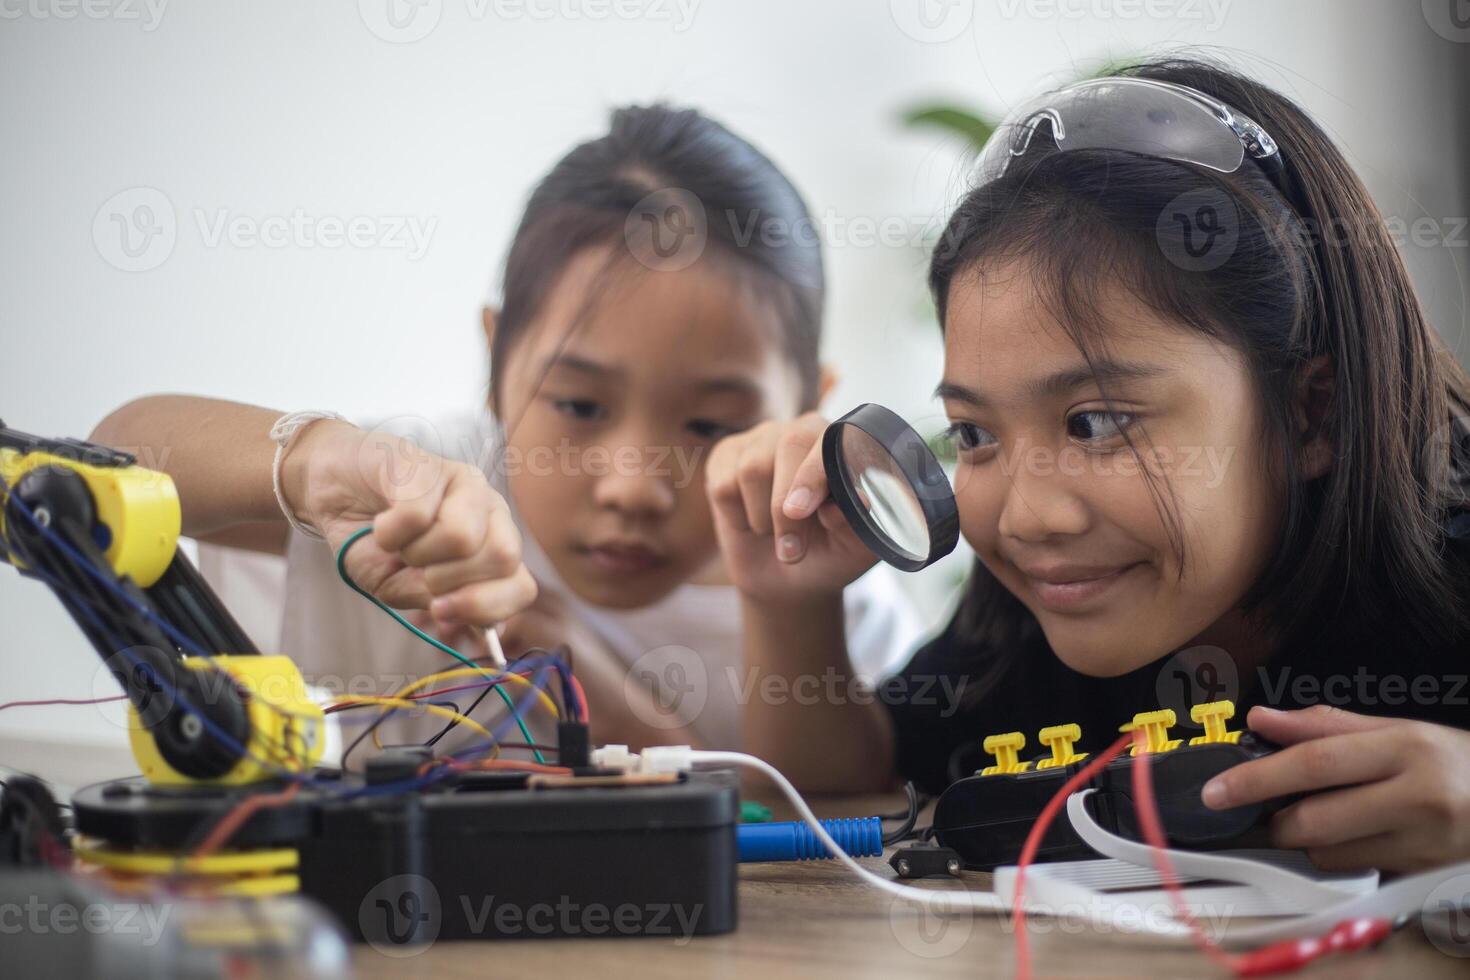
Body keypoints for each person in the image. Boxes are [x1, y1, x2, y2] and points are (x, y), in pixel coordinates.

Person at [708, 58, 1470, 873]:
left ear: (1309, 413)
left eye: (1097, 422)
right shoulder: (1046, 608)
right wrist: (790, 601)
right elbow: (853, 781)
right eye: (973, 434)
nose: (1028, 516)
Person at [91, 105, 925, 754]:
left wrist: (782, 618)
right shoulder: (428, 485)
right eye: (579, 406)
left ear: (808, 405)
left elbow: (846, 807)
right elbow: (112, 465)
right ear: (496, 363)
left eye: (710, 422)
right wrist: (315, 461)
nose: (632, 483)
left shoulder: (830, 577)